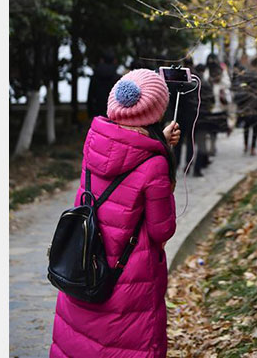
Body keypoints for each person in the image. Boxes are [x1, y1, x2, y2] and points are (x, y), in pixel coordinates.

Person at [50, 68, 181, 358]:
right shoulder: (155, 164)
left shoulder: (95, 141)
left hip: (85, 266)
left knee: (80, 343)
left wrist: (159, 143)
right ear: (157, 111)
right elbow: (163, 230)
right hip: (128, 281)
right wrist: (164, 156)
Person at [86, 52, 121, 119]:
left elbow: (90, 96)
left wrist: (90, 113)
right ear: (114, 61)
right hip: (114, 114)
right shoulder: (118, 78)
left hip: (98, 112)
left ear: (101, 60)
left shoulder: (95, 77)